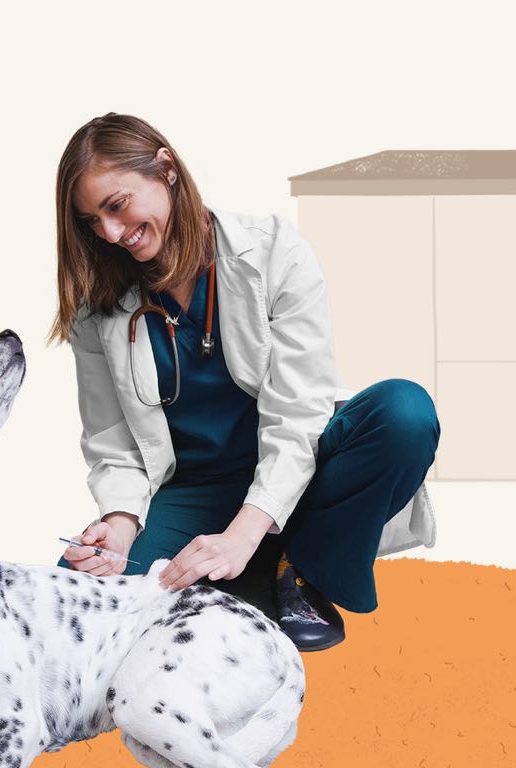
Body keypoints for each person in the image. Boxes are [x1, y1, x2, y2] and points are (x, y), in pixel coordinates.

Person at [49, 113, 439, 652]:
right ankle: (253, 578)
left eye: (116, 206)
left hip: (299, 474)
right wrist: (117, 525)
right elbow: (111, 441)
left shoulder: (275, 252)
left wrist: (244, 532)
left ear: (166, 169)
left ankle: (296, 563)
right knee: (78, 604)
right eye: (92, 221)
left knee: (404, 413)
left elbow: (299, 414)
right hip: (194, 492)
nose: (111, 233)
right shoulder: (99, 311)